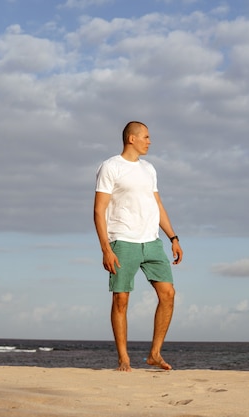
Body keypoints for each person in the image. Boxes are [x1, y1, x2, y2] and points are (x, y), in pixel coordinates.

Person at [94, 121, 183, 372]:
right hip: (122, 240)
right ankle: (124, 359)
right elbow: (99, 210)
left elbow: (158, 205)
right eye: (146, 136)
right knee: (121, 299)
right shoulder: (110, 167)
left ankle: (155, 354)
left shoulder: (149, 169)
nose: (149, 141)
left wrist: (173, 238)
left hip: (152, 241)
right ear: (131, 139)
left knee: (168, 294)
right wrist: (106, 248)